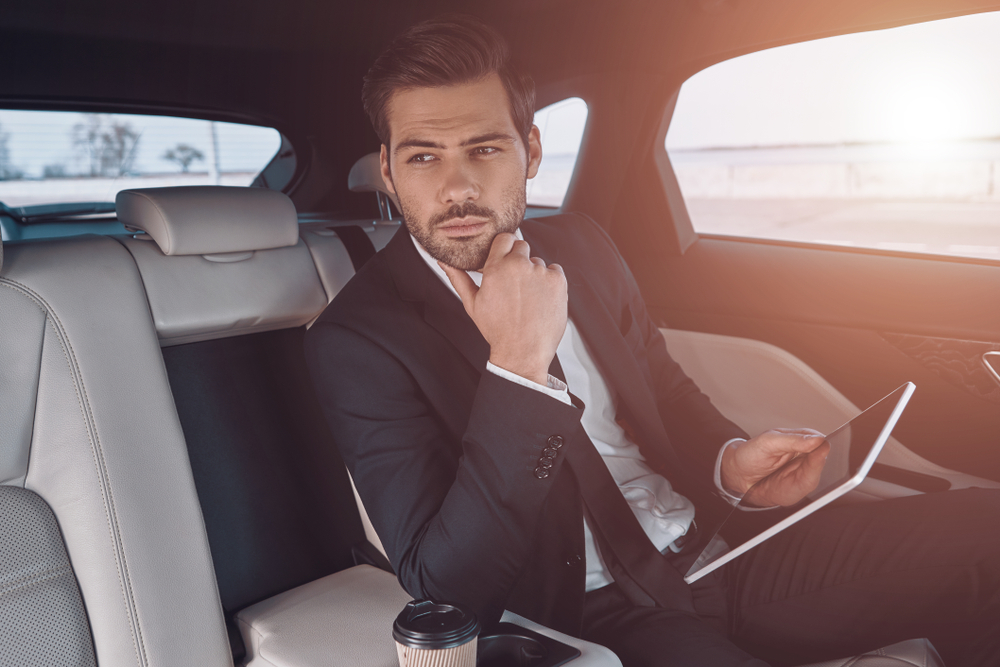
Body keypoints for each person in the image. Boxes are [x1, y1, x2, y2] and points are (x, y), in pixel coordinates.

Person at [305, 15, 1000, 666]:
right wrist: (518, 368)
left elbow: (664, 388)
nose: (456, 187)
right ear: (389, 173)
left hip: (718, 553)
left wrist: (729, 463)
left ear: (531, 151)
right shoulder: (358, 340)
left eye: (484, 148)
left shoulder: (583, 246)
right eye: (423, 157)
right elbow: (447, 587)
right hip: (589, 614)